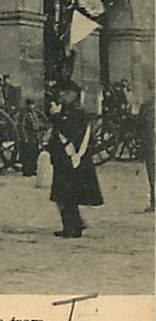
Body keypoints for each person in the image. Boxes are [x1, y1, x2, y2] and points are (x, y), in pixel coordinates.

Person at [47, 79, 103, 238]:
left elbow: (70, 132)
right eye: (61, 92)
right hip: (65, 159)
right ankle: (74, 224)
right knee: (63, 195)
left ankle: (72, 227)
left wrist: (56, 117)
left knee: (66, 195)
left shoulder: (77, 113)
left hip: (73, 159)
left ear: (75, 95)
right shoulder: (66, 111)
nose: (62, 95)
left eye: (66, 93)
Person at [18, 98, 43, 177]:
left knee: (34, 153)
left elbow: (36, 124)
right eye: (31, 105)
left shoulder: (33, 113)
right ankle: (27, 170)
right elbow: (22, 126)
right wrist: (25, 137)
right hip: (28, 135)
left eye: (33, 105)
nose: (32, 106)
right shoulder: (24, 114)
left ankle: (32, 169)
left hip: (34, 135)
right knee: (27, 154)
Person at [139, 83, 155, 212]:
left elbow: (140, 124)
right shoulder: (146, 105)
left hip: (150, 143)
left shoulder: (146, 105)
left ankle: (154, 201)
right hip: (150, 142)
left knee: (152, 173)